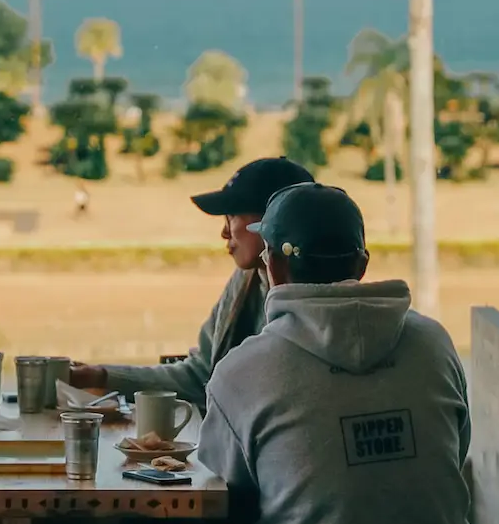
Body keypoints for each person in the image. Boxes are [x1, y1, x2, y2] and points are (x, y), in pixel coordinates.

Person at [107, 183, 474, 524]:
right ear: (363, 263)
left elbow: (222, 498)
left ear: (273, 271)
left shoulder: (245, 370)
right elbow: (456, 453)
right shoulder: (435, 345)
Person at [69, 157, 315, 407]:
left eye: (231, 216)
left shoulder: (314, 305)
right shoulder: (246, 281)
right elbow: (201, 375)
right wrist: (101, 376)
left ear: (270, 220)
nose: (224, 232)